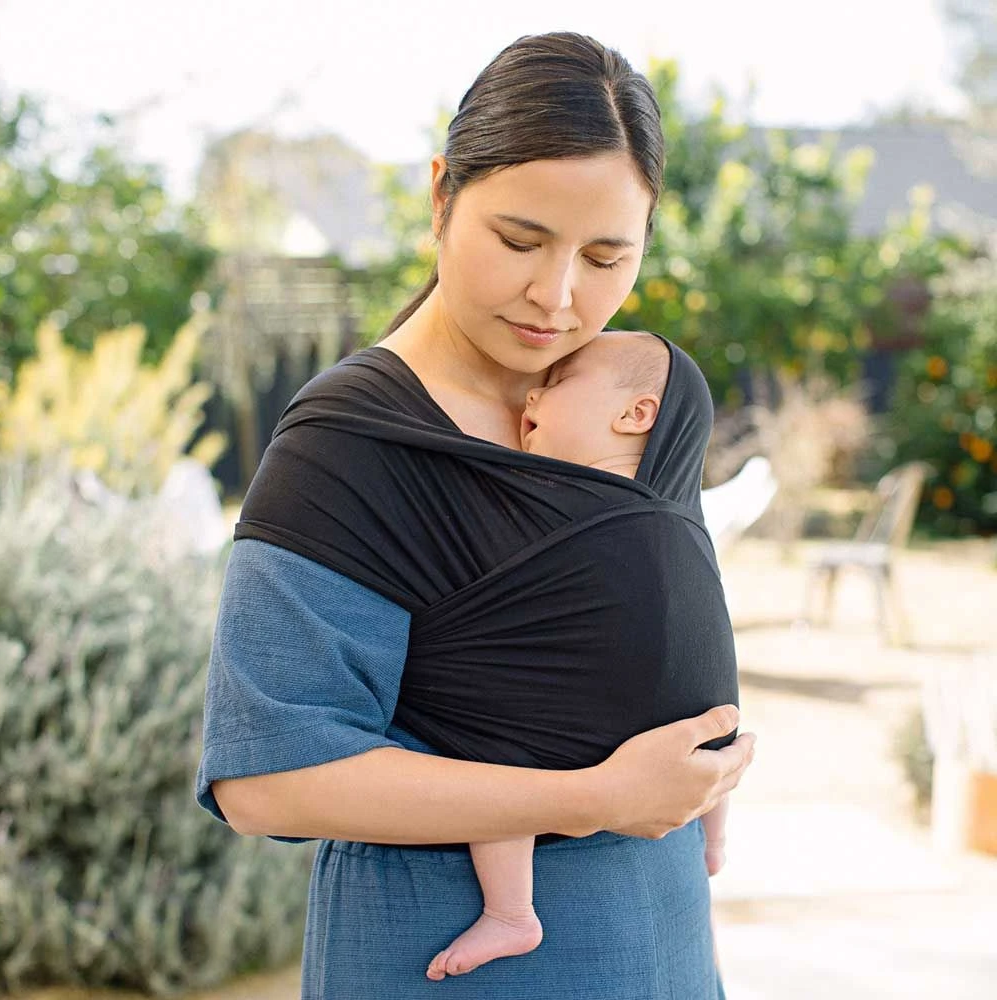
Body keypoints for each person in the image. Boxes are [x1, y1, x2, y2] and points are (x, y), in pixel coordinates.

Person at [196, 31, 755, 999]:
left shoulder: (641, 407)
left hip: (659, 941)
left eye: (607, 255)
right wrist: (590, 798)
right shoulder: (352, 448)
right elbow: (266, 779)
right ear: (440, 195)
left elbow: (655, 617)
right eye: (519, 240)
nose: (559, 295)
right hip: (449, 959)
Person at [426, 330, 734, 982]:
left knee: (494, 751)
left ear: (636, 414)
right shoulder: (681, 522)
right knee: (715, 729)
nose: (533, 391)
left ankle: (511, 911)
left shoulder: (557, 505)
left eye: (561, 380)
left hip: (575, 721)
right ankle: (715, 838)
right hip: (694, 718)